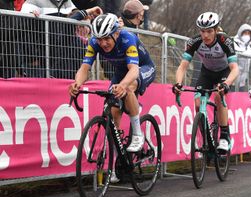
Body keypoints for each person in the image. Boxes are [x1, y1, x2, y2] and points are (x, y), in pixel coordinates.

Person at [69, 13, 156, 153]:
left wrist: (123, 85)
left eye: (106, 38)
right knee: (113, 110)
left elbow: (133, 70)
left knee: (128, 88)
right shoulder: (93, 43)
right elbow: (85, 67)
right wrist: (77, 83)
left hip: (143, 68)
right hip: (122, 72)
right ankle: (117, 162)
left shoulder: (127, 38)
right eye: (99, 39)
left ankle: (138, 134)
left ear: (116, 33)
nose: (103, 43)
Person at [172, 12, 239, 153]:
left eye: (209, 31)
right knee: (197, 103)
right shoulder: (194, 42)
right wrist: (178, 83)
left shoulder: (225, 41)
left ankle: (224, 137)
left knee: (219, 97)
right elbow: (182, 66)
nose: (206, 35)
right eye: (202, 31)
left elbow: (235, 69)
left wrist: (226, 83)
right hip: (207, 73)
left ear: (216, 30)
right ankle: (207, 140)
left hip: (224, 72)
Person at [233, 23, 251, 91]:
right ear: (241, 33)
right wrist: (245, 54)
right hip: (232, 80)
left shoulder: (250, 47)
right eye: (245, 33)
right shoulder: (233, 43)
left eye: (249, 33)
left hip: (243, 82)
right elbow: (238, 52)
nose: (247, 35)